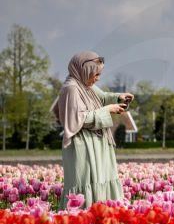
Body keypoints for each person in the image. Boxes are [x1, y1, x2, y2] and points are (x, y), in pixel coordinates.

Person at [53, 51, 134, 209]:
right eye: (95, 74)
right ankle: (84, 217)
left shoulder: (86, 85)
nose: (97, 78)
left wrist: (119, 98)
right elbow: (77, 119)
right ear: (84, 71)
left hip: (97, 142)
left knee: (102, 178)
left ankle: (102, 215)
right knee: (86, 180)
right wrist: (108, 110)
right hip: (83, 144)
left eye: (99, 74)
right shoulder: (71, 89)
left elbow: (102, 97)